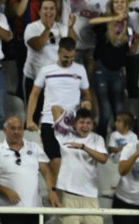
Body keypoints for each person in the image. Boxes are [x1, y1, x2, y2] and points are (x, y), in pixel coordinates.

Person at [26, 36, 91, 192]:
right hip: (49, 120)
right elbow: (34, 94)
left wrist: (87, 104)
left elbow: (87, 94)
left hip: (72, 123)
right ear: (59, 52)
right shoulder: (46, 70)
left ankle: (60, 195)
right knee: (55, 161)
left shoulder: (80, 70)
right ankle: (56, 195)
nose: (69, 60)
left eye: (71, 57)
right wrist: (29, 119)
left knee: (70, 163)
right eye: (65, 57)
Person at [0, 115, 54, 224]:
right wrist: (5, 190)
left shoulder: (34, 147)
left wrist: (52, 191)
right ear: (5, 130)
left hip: (34, 209)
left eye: (19, 128)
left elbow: (46, 172)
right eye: (12, 128)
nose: (16, 131)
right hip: (9, 211)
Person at [21, 0, 76, 124]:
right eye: (45, 8)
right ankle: (31, 141)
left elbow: (72, 45)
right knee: (33, 116)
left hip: (55, 80)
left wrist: (71, 28)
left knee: (51, 115)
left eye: (52, 9)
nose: (48, 11)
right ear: (39, 11)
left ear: (56, 12)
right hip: (34, 79)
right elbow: (37, 46)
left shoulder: (61, 28)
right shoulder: (32, 27)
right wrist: (47, 29)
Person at [88, 0, 138, 136]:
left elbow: (132, 46)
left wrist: (133, 46)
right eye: (116, 2)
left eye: (123, 2)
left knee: (119, 111)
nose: (120, 5)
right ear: (111, 5)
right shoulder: (105, 20)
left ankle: (117, 141)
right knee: (106, 111)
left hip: (118, 72)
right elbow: (91, 22)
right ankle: (100, 139)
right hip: (101, 70)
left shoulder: (129, 23)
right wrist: (113, 18)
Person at [54, 109, 109, 224]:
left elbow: (104, 159)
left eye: (88, 123)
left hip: (90, 194)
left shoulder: (97, 139)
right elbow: (55, 109)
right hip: (68, 194)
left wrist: (84, 147)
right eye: (81, 122)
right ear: (74, 124)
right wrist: (75, 108)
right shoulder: (65, 135)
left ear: (93, 125)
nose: (85, 126)